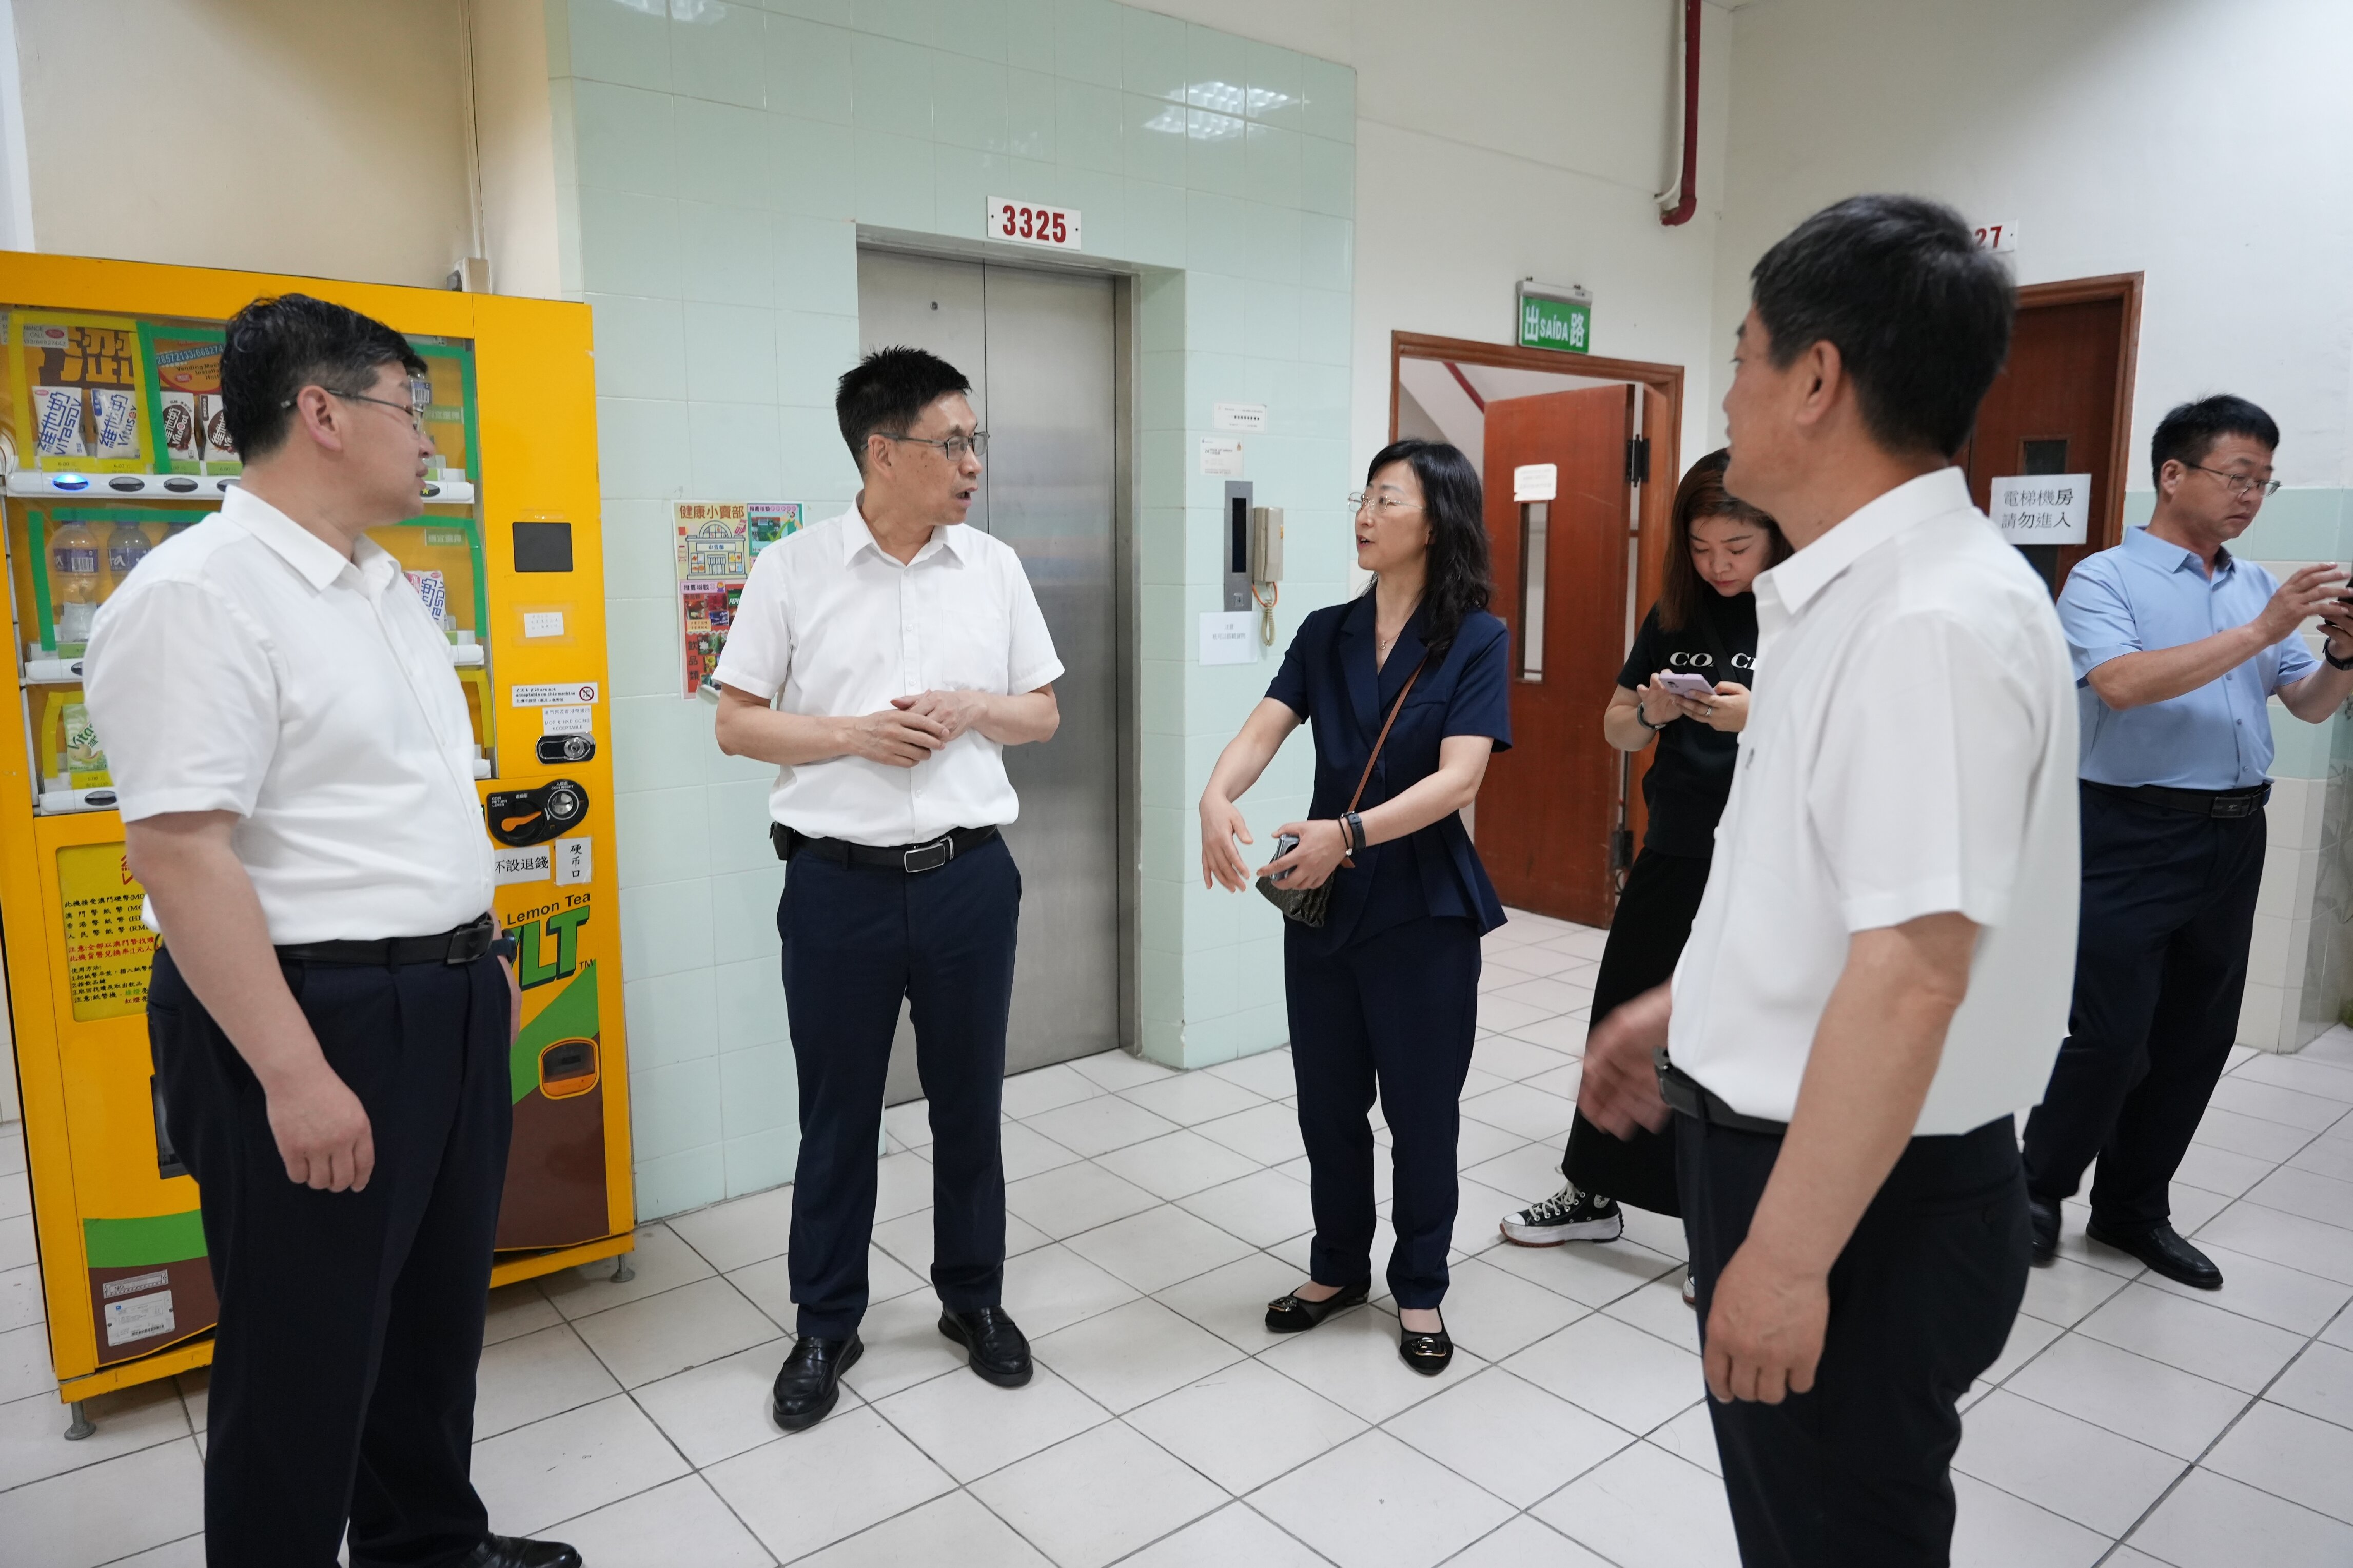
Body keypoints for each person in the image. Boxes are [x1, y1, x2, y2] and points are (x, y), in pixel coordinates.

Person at [1579, 195, 2077, 1564]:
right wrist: (1684, 1005)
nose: (1726, 391)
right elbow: (1832, 895)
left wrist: (1789, 1261)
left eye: (1741, 355)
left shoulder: (1924, 618)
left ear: (1815, 378)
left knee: (1836, 1540)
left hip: (1860, 1198)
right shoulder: (1853, 595)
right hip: (1824, 1153)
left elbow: (1912, 973)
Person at [86, 296, 573, 1568]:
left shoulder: (378, 584)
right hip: (312, 1015)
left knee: (428, 1319)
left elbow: (397, 806)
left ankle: (426, 1545)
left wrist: (483, 965)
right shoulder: (197, 596)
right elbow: (178, 852)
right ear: (322, 413)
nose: (430, 439)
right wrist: (293, 1073)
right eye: (411, 408)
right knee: (302, 1357)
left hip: (442, 998)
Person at [712, 346, 1062, 1431]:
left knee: (970, 1106)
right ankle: (826, 1321)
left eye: (974, 442)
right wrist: (852, 735)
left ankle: (973, 1298)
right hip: (837, 885)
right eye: (951, 443)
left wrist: (973, 707)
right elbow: (736, 723)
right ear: (882, 451)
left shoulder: (993, 568)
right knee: (837, 1117)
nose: (972, 463)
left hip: (968, 879)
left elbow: (1043, 713)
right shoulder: (792, 570)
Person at [2022, 396, 2353, 1288]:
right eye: (2237, 476)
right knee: (2109, 1036)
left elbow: (2306, 703)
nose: (2251, 496)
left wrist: (2341, 657)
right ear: (2172, 475)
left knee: (2195, 1035)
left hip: (2234, 834)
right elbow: (2122, 685)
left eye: (2264, 482)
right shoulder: (2103, 579)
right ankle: (2034, 1187)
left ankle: (2132, 1208)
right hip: (2128, 830)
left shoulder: (2251, 586)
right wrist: (2262, 629)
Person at [1199, 439, 1510, 1376]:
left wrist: (1351, 830)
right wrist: (1215, 793)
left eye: (1387, 499)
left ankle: (1419, 1283)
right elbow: (1264, 728)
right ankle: (1337, 1266)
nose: (1364, 516)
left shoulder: (1476, 637)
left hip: (1423, 905)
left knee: (1421, 1111)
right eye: (1362, 498)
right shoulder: (1325, 630)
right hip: (1326, 903)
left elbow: (1460, 778)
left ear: (1437, 521)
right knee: (1327, 1105)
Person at [1501, 450, 1789, 1297]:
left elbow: (1838, 737)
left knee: (1722, 1042)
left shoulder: (1803, 614)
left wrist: (1756, 715)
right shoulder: (1675, 611)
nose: (1718, 565)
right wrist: (1653, 711)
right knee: (1622, 1015)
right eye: (1700, 548)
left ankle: (1720, 1229)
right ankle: (1593, 1189)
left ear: (1775, 535)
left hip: (1761, 860)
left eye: (1736, 547)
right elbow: (1617, 727)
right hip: (1675, 845)